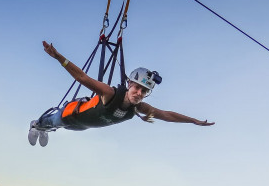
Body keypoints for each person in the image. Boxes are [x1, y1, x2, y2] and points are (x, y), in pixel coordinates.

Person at [28, 41, 214, 146]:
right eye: (137, 88)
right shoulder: (110, 93)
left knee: (60, 128)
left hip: (82, 126)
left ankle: (44, 129)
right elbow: (83, 78)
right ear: (129, 84)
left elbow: (166, 115)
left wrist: (193, 121)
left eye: (144, 91)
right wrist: (59, 57)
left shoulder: (139, 108)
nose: (139, 93)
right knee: (52, 122)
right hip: (70, 115)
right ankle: (36, 125)